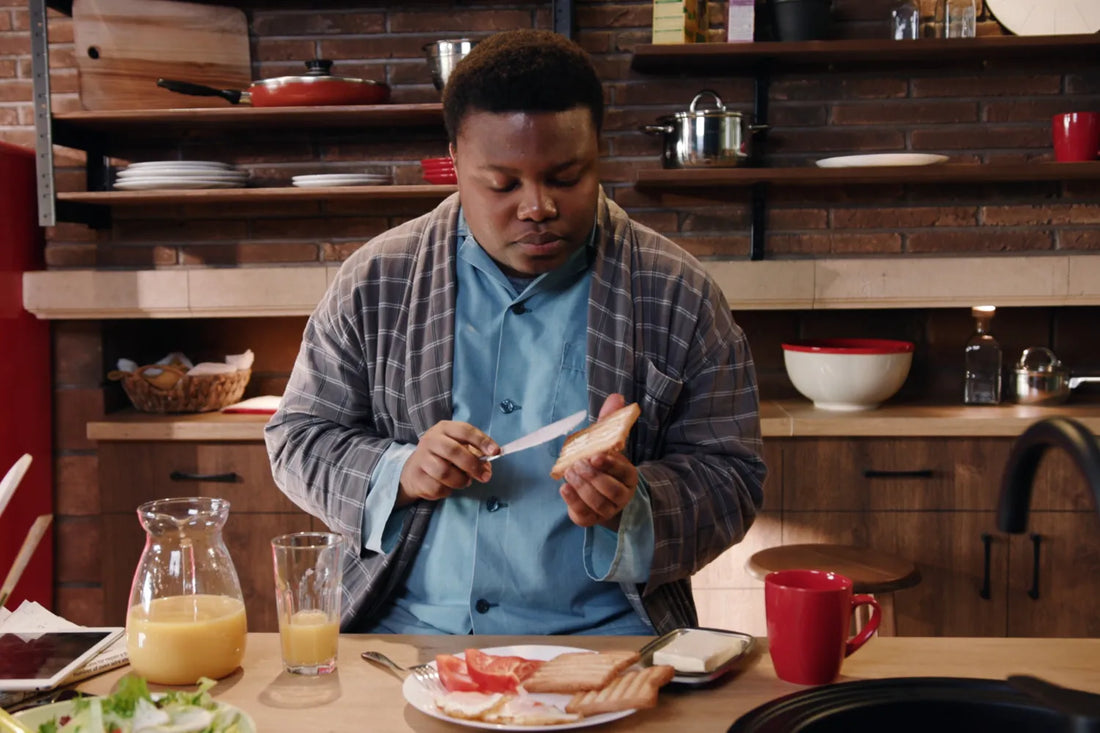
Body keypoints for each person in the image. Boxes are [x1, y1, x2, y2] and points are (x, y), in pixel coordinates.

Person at [265, 28, 766, 636]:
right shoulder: (377, 279)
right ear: (454, 161)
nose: (536, 207)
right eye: (501, 184)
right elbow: (296, 439)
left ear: (598, 153)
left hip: (607, 643)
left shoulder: (676, 293)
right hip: (402, 636)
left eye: (565, 177)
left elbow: (733, 477)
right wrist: (399, 472)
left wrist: (634, 505)